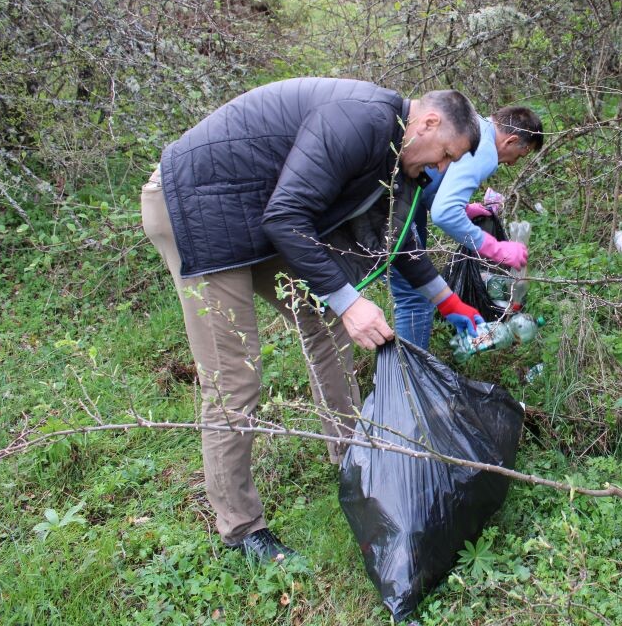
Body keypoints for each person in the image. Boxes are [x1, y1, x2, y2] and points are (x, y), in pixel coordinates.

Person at [140, 78, 486, 561]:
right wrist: (350, 302)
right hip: (197, 209)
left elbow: (397, 234)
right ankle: (241, 530)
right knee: (234, 378)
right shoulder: (360, 121)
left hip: (249, 212)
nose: (442, 167)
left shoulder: (395, 147)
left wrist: (447, 300)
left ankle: (353, 458)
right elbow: (286, 217)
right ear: (427, 123)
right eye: (446, 154)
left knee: (324, 321)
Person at [390, 106, 544, 348]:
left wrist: (463, 209)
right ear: (511, 140)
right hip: (394, 200)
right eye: (520, 155)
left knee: (413, 293)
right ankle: (408, 372)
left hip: (402, 195)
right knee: (415, 296)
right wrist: (497, 249)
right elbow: (444, 214)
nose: (513, 163)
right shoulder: (485, 148)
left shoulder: (473, 124)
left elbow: (427, 177)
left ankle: (405, 368)